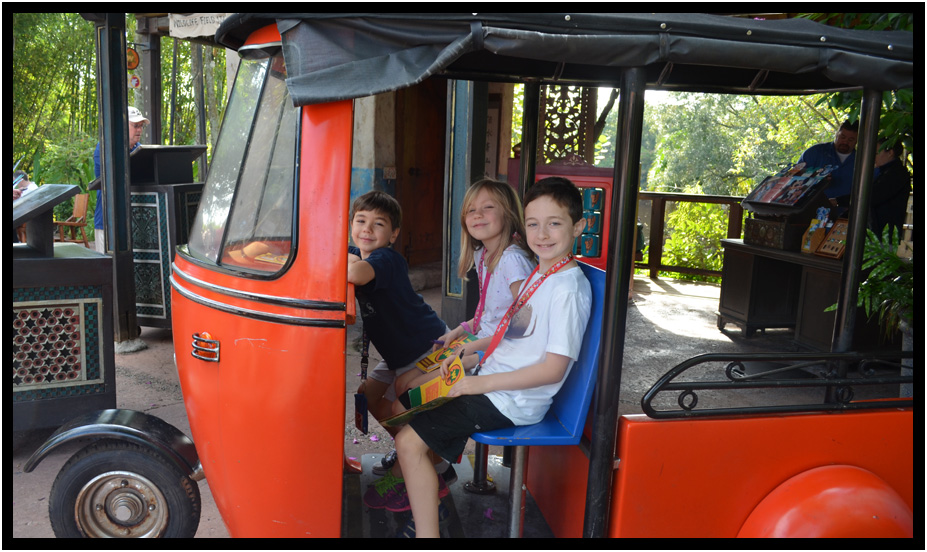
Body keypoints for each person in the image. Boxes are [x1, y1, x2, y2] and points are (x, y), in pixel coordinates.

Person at [392, 177, 593, 537]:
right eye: (534, 224)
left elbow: (553, 369)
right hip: (492, 380)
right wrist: (470, 353)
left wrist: (476, 383)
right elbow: (515, 333)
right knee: (407, 404)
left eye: (554, 223)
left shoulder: (567, 288)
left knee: (408, 442)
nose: (542, 234)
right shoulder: (542, 274)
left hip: (512, 400)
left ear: (578, 226)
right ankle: (431, 487)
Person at [395, 178, 535, 395]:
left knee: (409, 391)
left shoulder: (512, 260)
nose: (477, 214)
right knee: (401, 383)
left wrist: (469, 349)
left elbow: (524, 328)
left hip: (498, 354)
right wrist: (460, 331)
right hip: (479, 341)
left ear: (508, 213)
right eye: (471, 210)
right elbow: (493, 313)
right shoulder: (483, 254)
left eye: (488, 207)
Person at [347, 190, 448, 429]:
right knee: (367, 396)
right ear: (351, 225)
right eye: (361, 220)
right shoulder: (357, 253)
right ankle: (404, 446)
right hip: (398, 354)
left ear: (393, 234)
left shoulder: (387, 259)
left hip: (424, 348)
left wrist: (351, 262)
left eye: (378, 224)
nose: (367, 229)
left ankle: (422, 451)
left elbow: (354, 274)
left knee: (397, 409)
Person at [93, 106, 149, 253]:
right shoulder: (106, 148)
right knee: (107, 265)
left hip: (136, 222)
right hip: (109, 222)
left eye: (141, 126)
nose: (139, 130)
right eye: (135, 125)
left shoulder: (140, 150)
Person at [799, 119, 859, 199]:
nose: (845, 142)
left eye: (850, 140)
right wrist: (815, 178)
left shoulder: (861, 161)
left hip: (847, 206)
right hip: (813, 204)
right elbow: (794, 179)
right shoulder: (815, 153)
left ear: (857, 140)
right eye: (842, 137)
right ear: (836, 134)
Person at [867, 137, 911, 237]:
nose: (873, 157)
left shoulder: (897, 173)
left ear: (890, 153)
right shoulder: (883, 171)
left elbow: (873, 196)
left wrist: (840, 201)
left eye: (876, 153)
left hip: (885, 234)